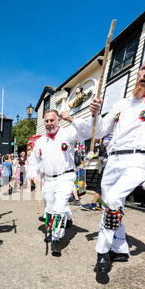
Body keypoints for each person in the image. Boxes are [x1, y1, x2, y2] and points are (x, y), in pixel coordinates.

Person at [90, 56, 145, 284]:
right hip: (113, 161)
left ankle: (102, 252)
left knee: (112, 198)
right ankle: (120, 248)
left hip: (137, 160)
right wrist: (95, 113)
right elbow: (101, 130)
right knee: (113, 204)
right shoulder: (121, 104)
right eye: (144, 68)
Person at [27, 108, 94, 256]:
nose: (49, 123)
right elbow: (33, 162)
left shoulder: (68, 133)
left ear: (58, 121)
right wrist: (33, 175)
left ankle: (56, 239)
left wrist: (71, 119)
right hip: (48, 179)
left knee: (60, 207)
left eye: (52, 120)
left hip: (65, 177)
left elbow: (86, 133)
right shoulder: (40, 142)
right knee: (50, 209)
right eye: (46, 121)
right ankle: (51, 230)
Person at [81, 135, 112, 211]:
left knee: (100, 185)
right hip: (108, 165)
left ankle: (93, 205)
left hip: (108, 165)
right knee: (104, 185)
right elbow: (104, 148)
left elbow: (109, 153)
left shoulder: (108, 137)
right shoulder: (108, 136)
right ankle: (102, 204)